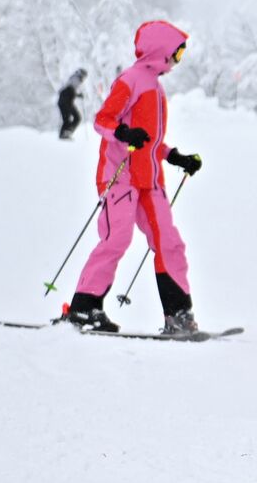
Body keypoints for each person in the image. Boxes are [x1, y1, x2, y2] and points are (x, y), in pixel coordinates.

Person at [64, 21, 204, 334]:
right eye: (176, 54)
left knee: (169, 242)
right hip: (120, 176)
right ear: (160, 51)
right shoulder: (130, 80)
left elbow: (150, 141)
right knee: (117, 239)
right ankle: (84, 309)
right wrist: (123, 132)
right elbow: (103, 121)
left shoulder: (156, 85)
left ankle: (179, 315)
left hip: (149, 181)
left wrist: (174, 156)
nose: (177, 61)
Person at [57, 68, 87, 139]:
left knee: (72, 118)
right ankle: (65, 133)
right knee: (72, 118)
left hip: (65, 102)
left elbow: (70, 90)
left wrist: (78, 95)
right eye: (84, 76)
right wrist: (78, 95)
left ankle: (66, 133)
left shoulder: (74, 79)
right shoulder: (76, 79)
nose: (83, 79)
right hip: (65, 102)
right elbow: (70, 90)